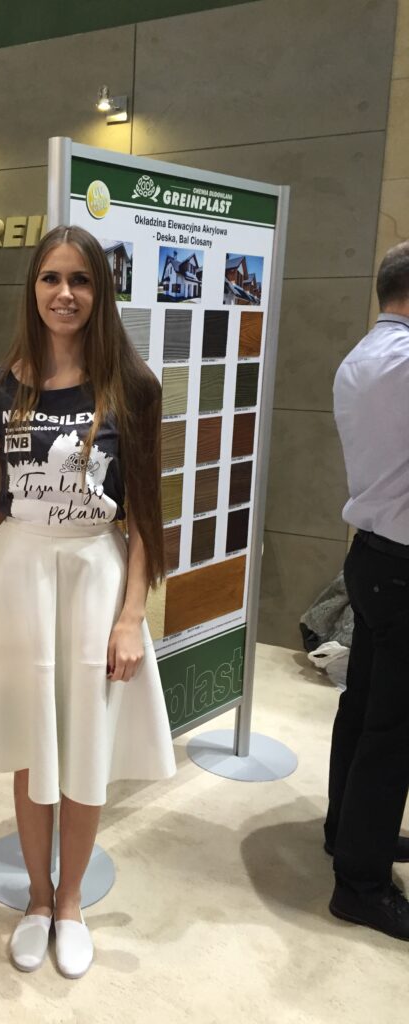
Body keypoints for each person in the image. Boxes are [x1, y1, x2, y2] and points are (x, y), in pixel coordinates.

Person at [0, 225, 176, 978]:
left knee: (85, 746)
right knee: (33, 747)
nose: (65, 294)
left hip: (97, 572)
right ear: (33, 287)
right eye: (52, 278)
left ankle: (70, 904)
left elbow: (145, 512)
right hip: (20, 576)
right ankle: (35, 897)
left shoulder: (134, 386)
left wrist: (131, 615)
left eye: (81, 280)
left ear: (101, 291)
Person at [326, 239, 409, 940]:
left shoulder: (362, 356)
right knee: (393, 730)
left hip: (375, 558)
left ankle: (348, 832)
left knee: (363, 710)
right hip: (402, 566)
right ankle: (361, 883)